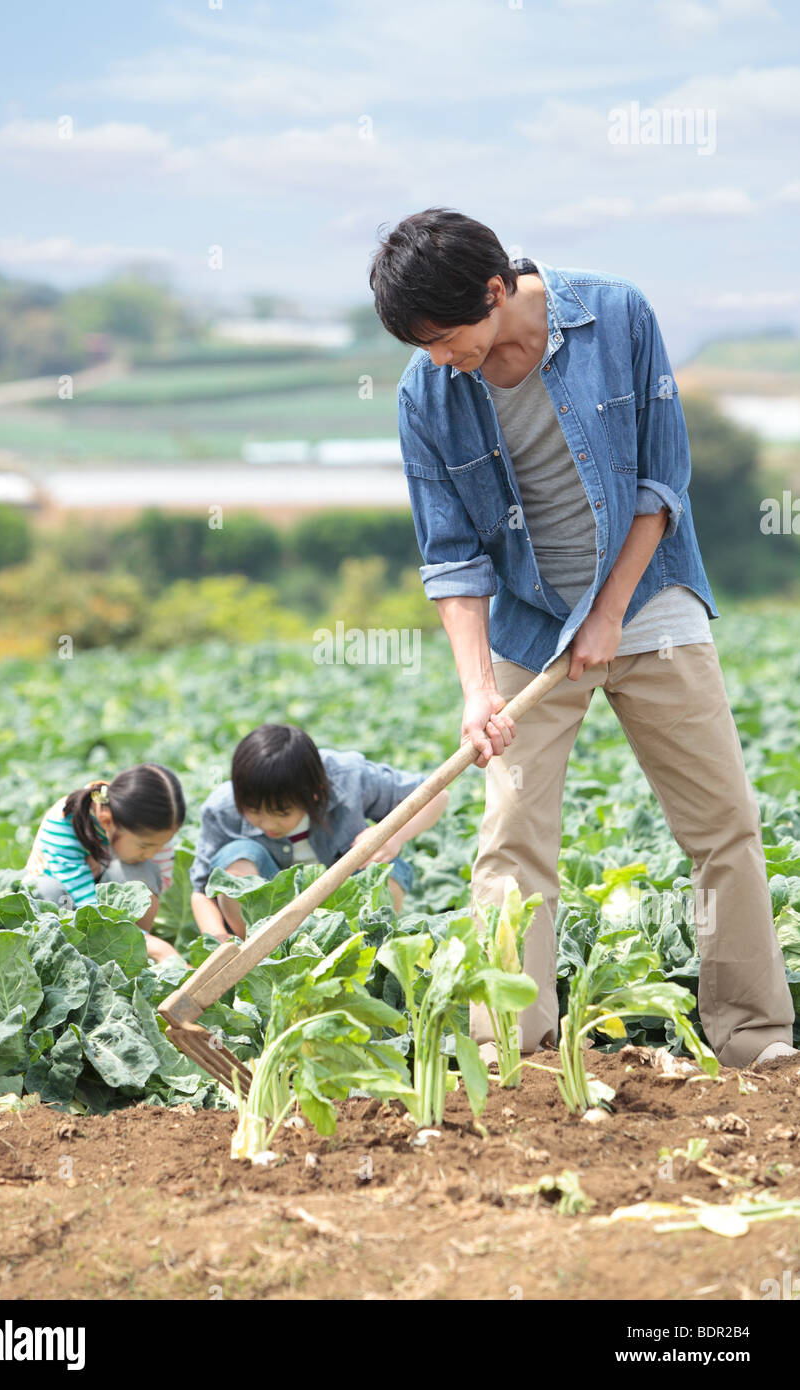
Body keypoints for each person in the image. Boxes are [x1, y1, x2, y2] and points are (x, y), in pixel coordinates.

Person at [369, 206, 795, 1070]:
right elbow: (451, 557)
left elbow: (660, 480)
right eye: (423, 345)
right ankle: (510, 1051)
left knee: (723, 827)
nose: (440, 358)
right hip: (532, 623)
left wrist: (608, 615)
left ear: (496, 291)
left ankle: (756, 1035)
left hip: (651, 601)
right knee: (511, 842)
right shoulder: (428, 394)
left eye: (448, 336)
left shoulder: (617, 315)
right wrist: (479, 690)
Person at [190, 722, 448, 940]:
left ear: (313, 794)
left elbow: (436, 793)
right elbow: (202, 891)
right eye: (253, 811)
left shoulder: (347, 776)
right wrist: (220, 943)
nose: (267, 824)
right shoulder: (221, 807)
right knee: (235, 859)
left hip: (343, 902)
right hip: (269, 920)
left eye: (282, 813)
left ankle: (370, 948)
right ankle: (254, 956)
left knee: (383, 868)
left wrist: (393, 834)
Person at [23, 763, 185, 963]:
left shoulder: (148, 822)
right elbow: (88, 908)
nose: (153, 853)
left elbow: (160, 880)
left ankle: (132, 958)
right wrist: (159, 949)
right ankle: (67, 962)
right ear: (107, 821)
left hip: (99, 889)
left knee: (142, 868)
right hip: (67, 902)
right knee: (48, 890)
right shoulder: (64, 823)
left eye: (161, 845)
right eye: (145, 846)